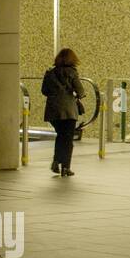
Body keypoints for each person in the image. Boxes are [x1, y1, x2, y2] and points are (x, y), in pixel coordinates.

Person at [41, 48, 84, 177]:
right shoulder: (72, 72)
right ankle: (65, 167)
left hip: (53, 110)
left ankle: (56, 161)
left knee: (61, 136)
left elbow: (44, 91)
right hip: (68, 110)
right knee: (67, 138)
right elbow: (81, 92)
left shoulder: (50, 73)